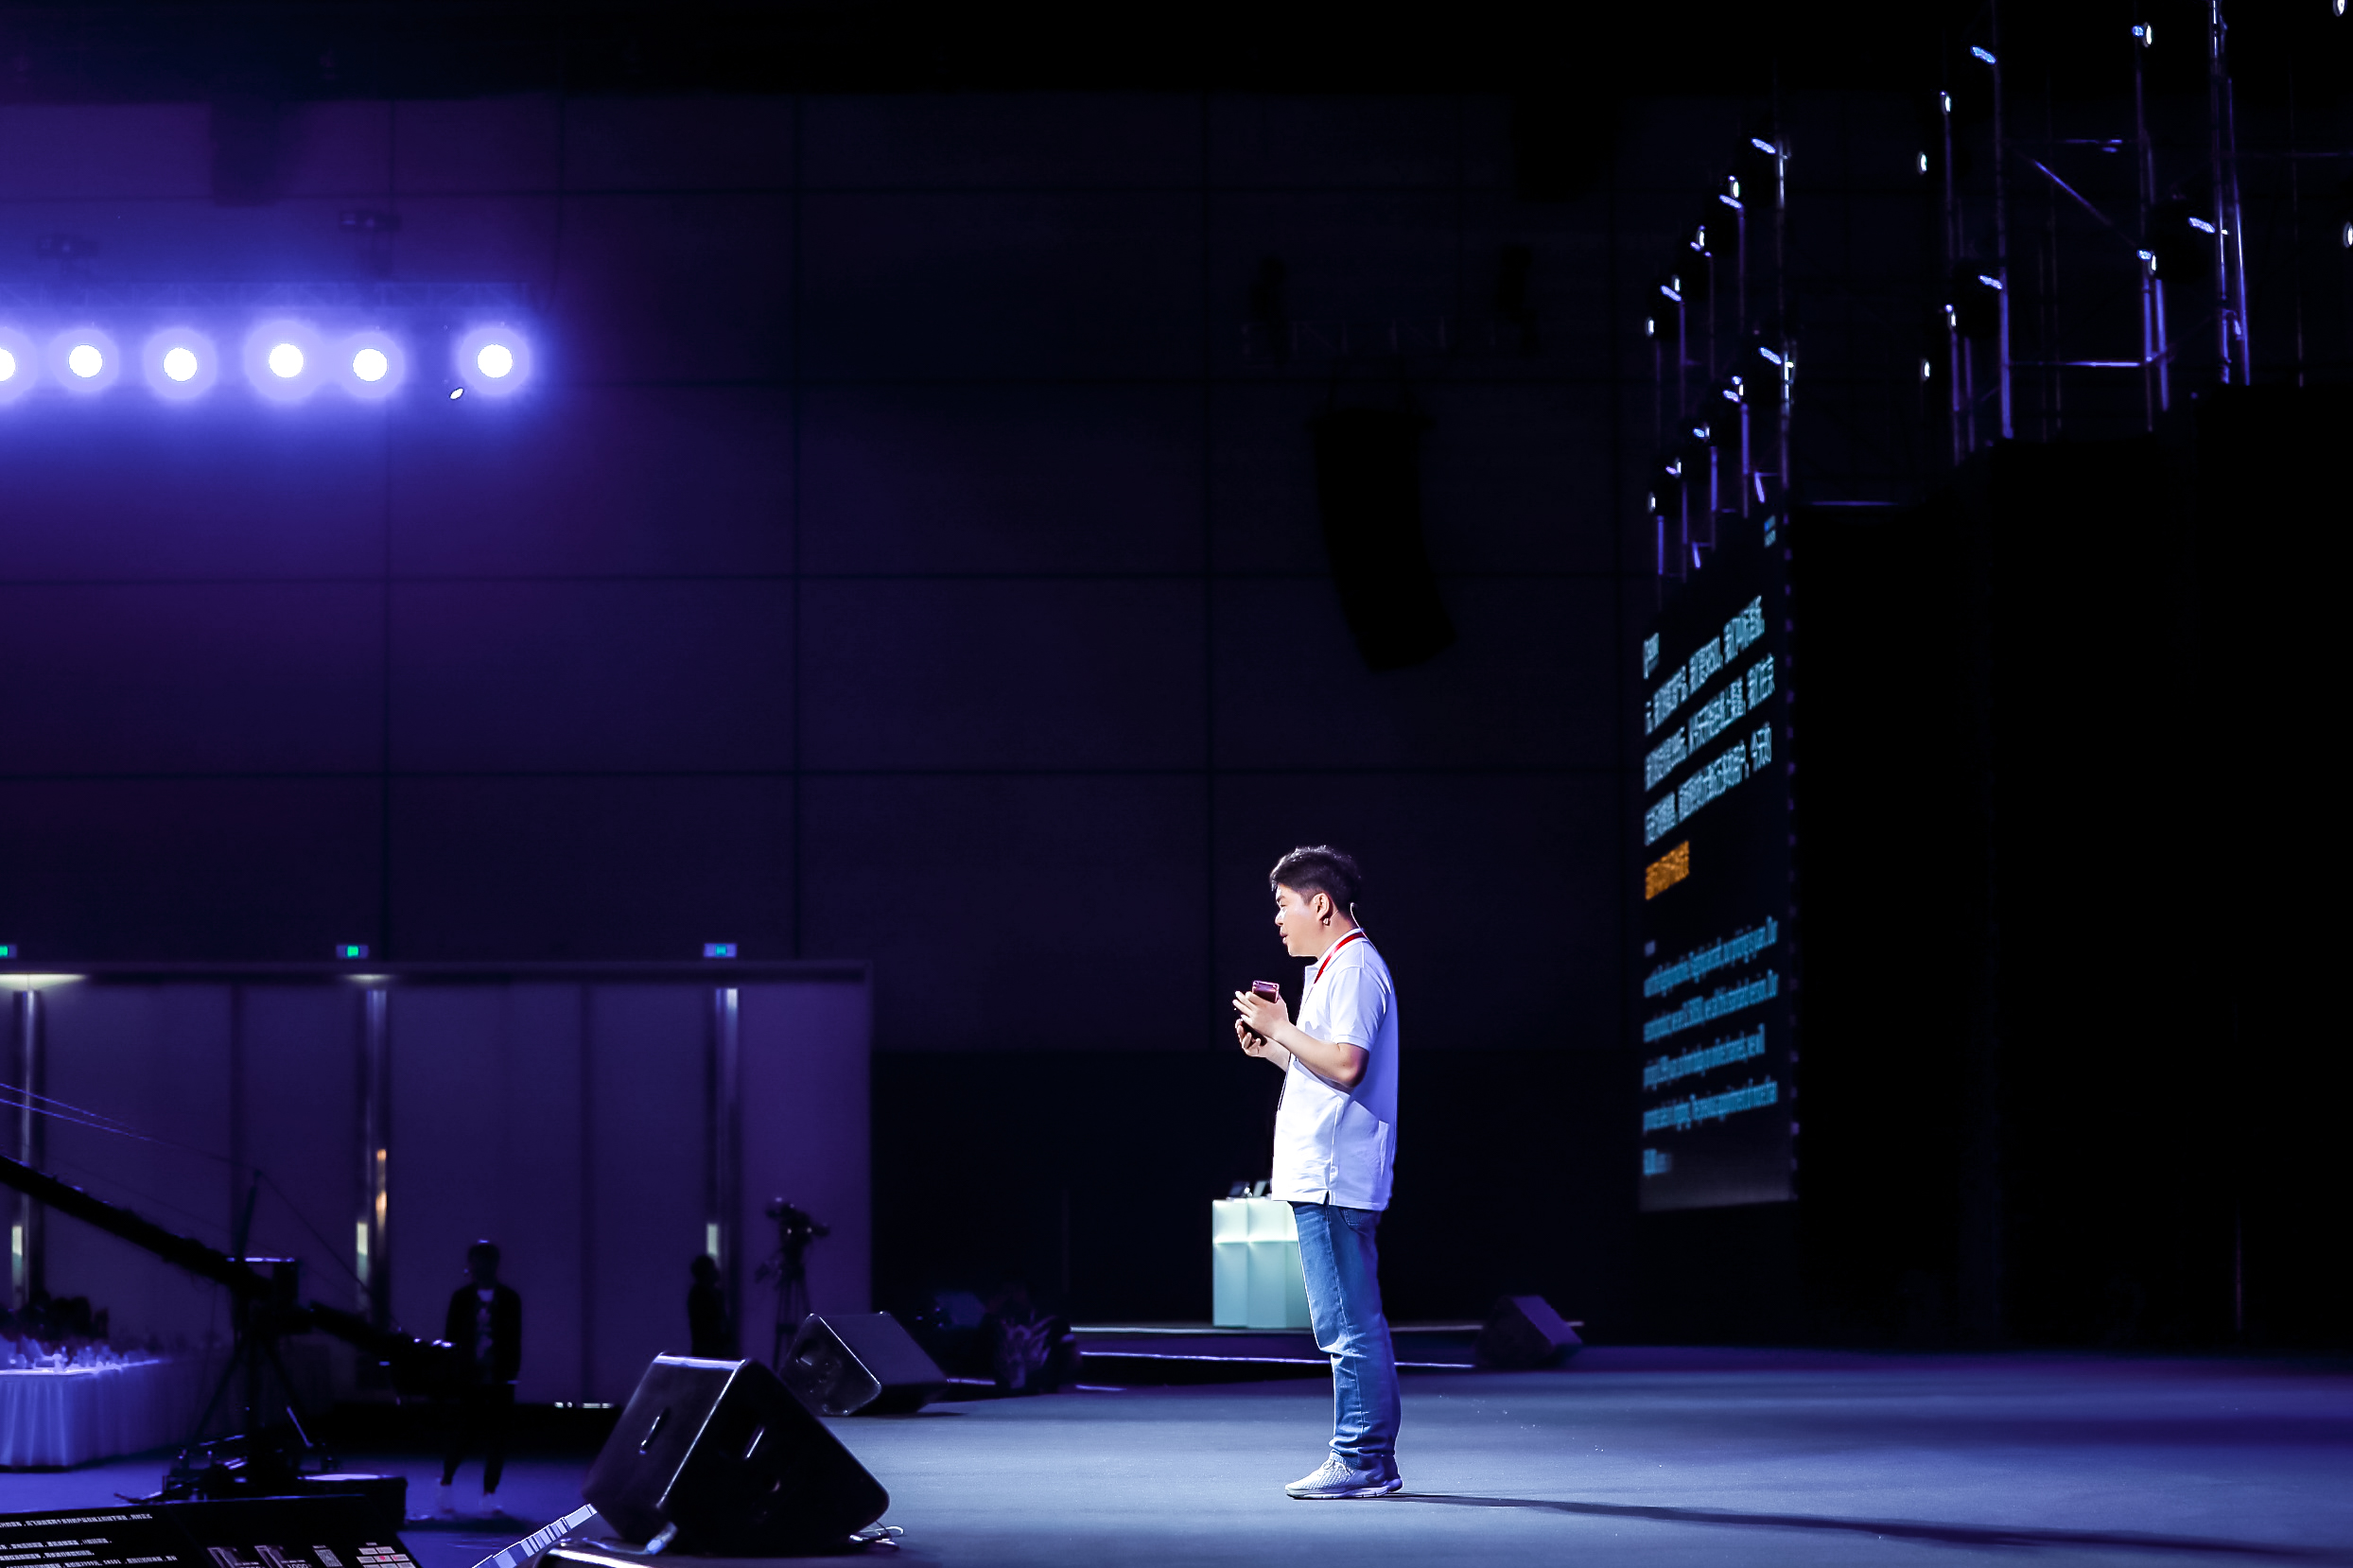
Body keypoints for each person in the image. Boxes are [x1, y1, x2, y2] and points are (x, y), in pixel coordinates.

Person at [1231, 845, 1403, 1500]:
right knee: (1349, 1321)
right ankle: (1368, 1457)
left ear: (1321, 904)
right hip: (1326, 1172)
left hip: (1335, 1175)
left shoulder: (1354, 966)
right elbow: (1324, 1070)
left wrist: (1281, 1027)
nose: (1278, 919)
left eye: (1284, 905)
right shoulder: (1334, 967)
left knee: (1347, 1325)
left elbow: (1348, 1065)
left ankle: (1360, 1457)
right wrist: (1275, 1048)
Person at [438, 1240, 521, 1517]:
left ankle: (489, 1493)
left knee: (498, 1438)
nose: (478, 1268)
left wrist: (510, 1373)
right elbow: (450, 1339)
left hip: (499, 1378)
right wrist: (453, 1373)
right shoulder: (461, 1299)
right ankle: (446, 1482)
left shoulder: (510, 1299)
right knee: (463, 1434)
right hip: (468, 1378)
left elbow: (514, 1339)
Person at [687, 1254, 735, 1358]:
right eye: (713, 1268)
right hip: (706, 1348)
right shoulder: (698, 1294)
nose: (717, 1271)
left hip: (717, 1347)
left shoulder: (716, 1294)